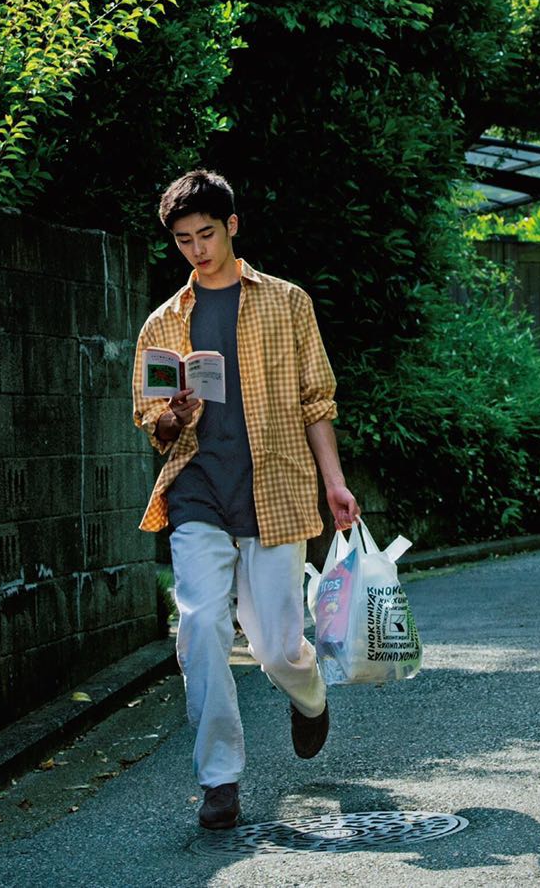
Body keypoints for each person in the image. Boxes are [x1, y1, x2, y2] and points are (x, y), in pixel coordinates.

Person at [131, 168, 360, 831]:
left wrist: (334, 481)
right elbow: (152, 425)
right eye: (183, 240)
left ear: (231, 226)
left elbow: (317, 402)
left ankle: (309, 697)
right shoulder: (163, 323)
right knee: (201, 626)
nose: (197, 249)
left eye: (206, 234)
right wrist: (173, 415)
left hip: (275, 490)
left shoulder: (288, 303)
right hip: (196, 490)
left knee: (277, 646)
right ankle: (219, 780)